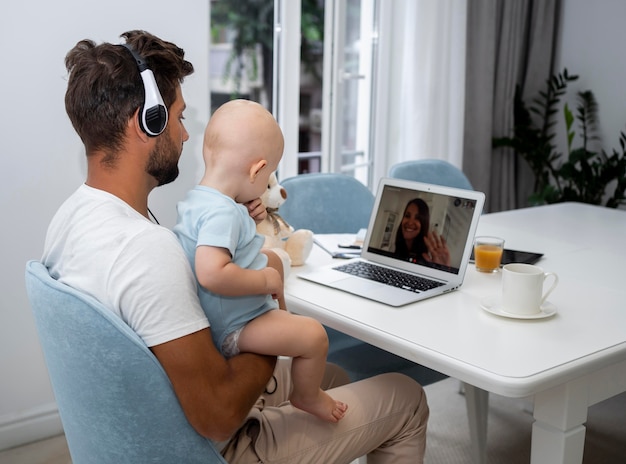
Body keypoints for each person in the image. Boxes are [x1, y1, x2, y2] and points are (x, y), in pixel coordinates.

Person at [42, 30, 429, 463]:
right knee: (406, 396)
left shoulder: (71, 219)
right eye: (179, 117)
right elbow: (220, 415)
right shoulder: (144, 252)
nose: (186, 136)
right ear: (148, 121)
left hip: (141, 425)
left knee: (334, 376)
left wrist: (241, 243)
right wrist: (266, 309)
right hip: (214, 447)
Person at [174, 99, 347, 423]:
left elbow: (227, 246)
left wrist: (245, 213)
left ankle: (283, 326)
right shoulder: (223, 212)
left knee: (275, 268)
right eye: (267, 174)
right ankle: (306, 395)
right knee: (314, 336)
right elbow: (211, 273)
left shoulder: (200, 199)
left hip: (229, 315)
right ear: (256, 170)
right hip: (236, 326)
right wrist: (265, 281)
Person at [393, 198, 451, 266]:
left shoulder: (427, 258)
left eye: (417, 218)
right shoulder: (393, 250)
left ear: (423, 224)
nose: (410, 222)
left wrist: (442, 270)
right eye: (407, 216)